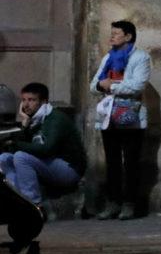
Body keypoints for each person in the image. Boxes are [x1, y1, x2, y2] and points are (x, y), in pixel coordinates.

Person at [89, 20, 151, 220]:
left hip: (130, 117)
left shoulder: (140, 57)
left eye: (116, 33)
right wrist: (102, 86)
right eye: (112, 33)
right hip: (108, 117)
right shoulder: (108, 57)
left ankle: (130, 203)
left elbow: (137, 85)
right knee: (112, 161)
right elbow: (94, 84)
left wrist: (111, 86)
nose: (112, 36)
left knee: (131, 162)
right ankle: (113, 202)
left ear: (128, 36)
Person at [0, 83, 86, 215]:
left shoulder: (55, 118)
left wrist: (15, 143)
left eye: (31, 100)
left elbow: (47, 149)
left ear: (44, 101)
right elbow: (22, 144)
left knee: (20, 157)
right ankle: (19, 202)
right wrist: (24, 125)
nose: (26, 105)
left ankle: (34, 207)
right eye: (23, 100)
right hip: (47, 164)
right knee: (4, 158)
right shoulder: (33, 119)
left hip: (69, 169)